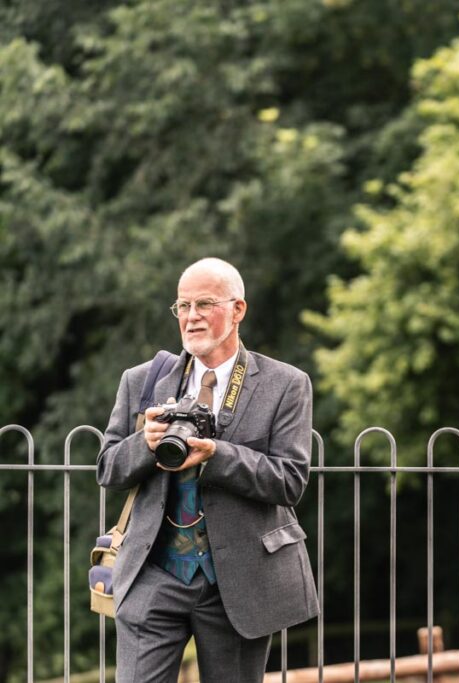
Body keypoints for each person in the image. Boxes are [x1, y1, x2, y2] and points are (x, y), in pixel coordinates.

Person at [97, 258, 318, 682]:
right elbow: (108, 468)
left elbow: (290, 481)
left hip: (238, 584)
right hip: (153, 575)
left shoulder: (285, 384)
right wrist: (145, 444)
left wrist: (217, 454)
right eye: (182, 306)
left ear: (238, 310)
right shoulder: (143, 380)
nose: (191, 316)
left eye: (204, 303)